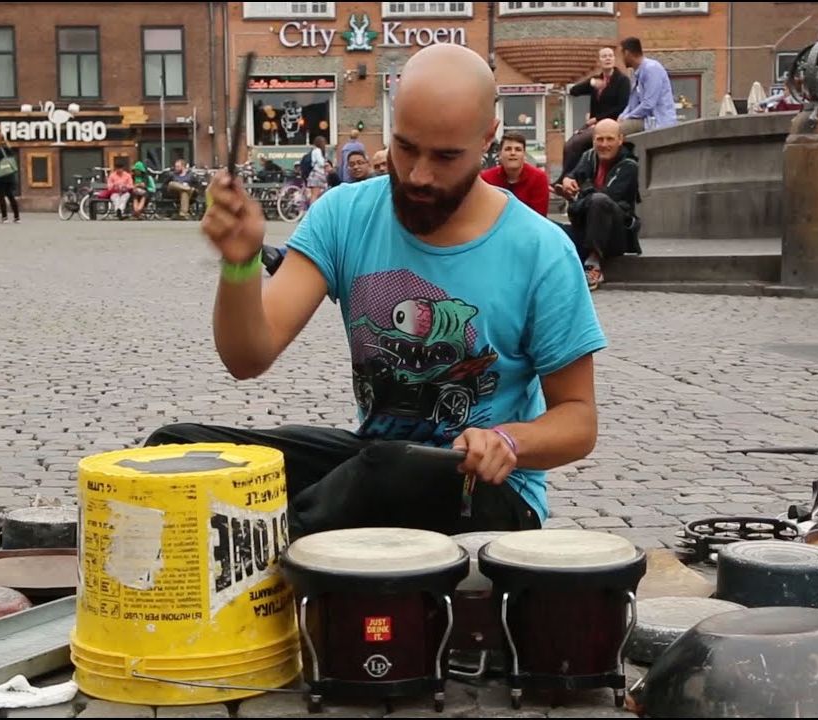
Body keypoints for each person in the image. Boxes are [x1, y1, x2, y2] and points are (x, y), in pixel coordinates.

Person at [144, 43, 606, 541]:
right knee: (176, 452)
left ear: (488, 138)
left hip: (490, 494)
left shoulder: (541, 250)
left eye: (446, 156)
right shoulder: (344, 213)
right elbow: (247, 358)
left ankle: (261, 559)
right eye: (406, 148)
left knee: (389, 468)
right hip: (369, 468)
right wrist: (238, 266)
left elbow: (578, 421)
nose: (419, 175)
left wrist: (507, 441)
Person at [557, 119, 642, 289]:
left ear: (620, 139)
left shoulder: (629, 166)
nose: (604, 144)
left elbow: (603, 198)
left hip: (615, 235)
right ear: (593, 140)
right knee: (551, 229)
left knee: (598, 201)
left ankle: (593, 264)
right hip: (586, 228)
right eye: (600, 139)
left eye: (610, 139)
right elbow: (574, 176)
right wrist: (568, 181)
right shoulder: (588, 156)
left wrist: (577, 199)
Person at [558, 46, 632, 186]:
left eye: (610, 55)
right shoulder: (597, 80)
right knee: (569, 144)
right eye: (604, 56)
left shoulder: (622, 81)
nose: (608, 58)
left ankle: (567, 179)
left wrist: (597, 119)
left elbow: (622, 106)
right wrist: (592, 83)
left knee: (577, 143)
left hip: (611, 125)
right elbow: (574, 91)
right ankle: (567, 178)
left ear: (614, 59)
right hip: (594, 125)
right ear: (599, 61)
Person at [618, 37, 677, 134]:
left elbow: (648, 104)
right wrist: (622, 115)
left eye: (621, 54)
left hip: (658, 122)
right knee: (607, 129)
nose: (621, 59)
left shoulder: (651, 69)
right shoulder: (637, 72)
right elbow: (633, 103)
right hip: (644, 120)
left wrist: (627, 117)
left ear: (627, 53)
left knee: (614, 132)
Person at [480, 132, 549, 216]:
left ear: (524, 154)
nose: (513, 153)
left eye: (518, 149)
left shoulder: (538, 178)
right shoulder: (487, 178)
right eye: (508, 149)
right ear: (500, 154)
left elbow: (539, 217)